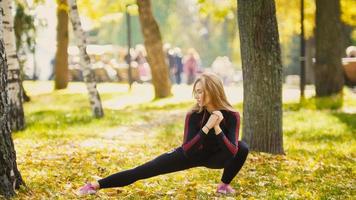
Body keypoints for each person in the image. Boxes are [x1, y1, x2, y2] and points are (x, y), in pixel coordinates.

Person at [77, 72, 249, 196]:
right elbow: (188, 149)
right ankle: (94, 185)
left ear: (214, 91)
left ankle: (223, 186)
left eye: (201, 91)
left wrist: (217, 127)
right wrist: (207, 127)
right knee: (146, 169)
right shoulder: (194, 114)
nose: (197, 96)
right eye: (196, 91)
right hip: (192, 154)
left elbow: (231, 152)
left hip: (216, 158)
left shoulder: (232, 115)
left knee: (242, 147)